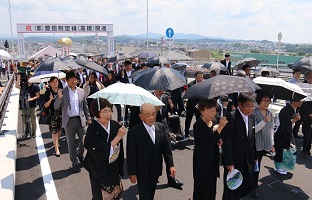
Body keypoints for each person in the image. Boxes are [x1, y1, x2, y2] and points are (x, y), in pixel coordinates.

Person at [127, 103, 177, 200]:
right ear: (141, 117)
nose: (151, 117)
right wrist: (132, 172)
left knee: (151, 195)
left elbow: (167, 150)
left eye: (153, 114)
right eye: (148, 114)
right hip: (142, 171)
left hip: (155, 169)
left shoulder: (161, 127)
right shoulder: (134, 132)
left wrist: (171, 165)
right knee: (145, 196)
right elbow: (131, 154)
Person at [84, 98, 126, 200]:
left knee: (115, 195)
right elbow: (100, 151)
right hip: (98, 168)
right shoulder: (92, 129)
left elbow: (119, 149)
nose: (108, 114)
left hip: (113, 167)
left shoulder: (115, 125)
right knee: (100, 196)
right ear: (96, 112)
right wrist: (118, 137)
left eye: (110, 110)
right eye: (104, 111)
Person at [221, 92, 258, 200]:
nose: (250, 109)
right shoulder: (231, 116)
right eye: (248, 106)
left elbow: (252, 138)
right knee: (231, 190)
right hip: (235, 161)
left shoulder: (251, 117)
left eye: (252, 106)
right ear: (240, 104)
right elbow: (227, 142)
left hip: (248, 160)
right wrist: (229, 162)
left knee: (243, 188)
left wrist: (255, 156)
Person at [54, 70, 92, 173]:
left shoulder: (81, 91)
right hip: (69, 121)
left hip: (80, 120)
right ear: (67, 80)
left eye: (75, 79)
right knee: (71, 143)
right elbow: (56, 106)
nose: (74, 81)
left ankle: (79, 153)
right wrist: (60, 97)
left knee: (84, 140)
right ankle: (74, 162)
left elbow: (85, 106)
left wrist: (88, 117)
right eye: (71, 80)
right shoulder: (63, 91)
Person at [192, 99, 228, 200]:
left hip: (212, 161)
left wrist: (219, 140)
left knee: (212, 190)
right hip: (202, 162)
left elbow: (214, 139)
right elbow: (208, 142)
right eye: (210, 111)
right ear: (202, 111)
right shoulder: (198, 125)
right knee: (202, 190)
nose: (213, 113)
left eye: (214, 110)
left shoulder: (214, 121)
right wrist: (220, 127)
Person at [253, 90, 275, 193]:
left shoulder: (270, 113)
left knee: (259, 163)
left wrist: (272, 144)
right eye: (264, 100)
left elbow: (271, 130)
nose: (267, 103)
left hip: (264, 144)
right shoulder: (254, 112)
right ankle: (252, 184)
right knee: (254, 163)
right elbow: (254, 130)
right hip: (255, 144)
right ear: (259, 101)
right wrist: (264, 121)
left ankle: (254, 181)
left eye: (268, 100)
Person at [274, 99, 301, 174]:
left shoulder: (294, 109)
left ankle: (283, 166)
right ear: (292, 101)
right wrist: (295, 120)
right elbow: (284, 125)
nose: (300, 102)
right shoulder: (286, 110)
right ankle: (278, 167)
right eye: (299, 100)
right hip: (281, 132)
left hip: (287, 132)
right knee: (281, 150)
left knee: (288, 150)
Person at [16, 73, 40, 138]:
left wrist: (31, 99)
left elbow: (37, 95)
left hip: (32, 105)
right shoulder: (24, 85)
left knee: (33, 119)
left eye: (30, 78)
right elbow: (17, 86)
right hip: (24, 105)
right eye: (28, 78)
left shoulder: (35, 86)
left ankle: (34, 132)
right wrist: (18, 78)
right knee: (25, 119)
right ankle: (27, 131)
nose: (29, 79)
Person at [44, 77, 62, 156]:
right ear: (50, 83)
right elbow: (46, 105)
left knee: (59, 130)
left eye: (56, 81)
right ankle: (56, 148)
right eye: (53, 82)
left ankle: (57, 142)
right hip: (52, 115)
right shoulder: (48, 92)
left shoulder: (61, 91)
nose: (55, 83)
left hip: (61, 114)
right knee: (54, 131)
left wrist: (61, 97)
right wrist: (50, 99)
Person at [185, 71, 203, 138]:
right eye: (199, 77)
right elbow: (191, 96)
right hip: (191, 105)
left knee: (198, 120)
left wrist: (200, 105)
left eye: (201, 77)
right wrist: (195, 104)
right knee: (188, 119)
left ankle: (198, 134)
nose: (200, 79)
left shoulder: (204, 84)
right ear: (195, 77)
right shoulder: (191, 84)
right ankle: (186, 133)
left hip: (200, 105)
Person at [289, 68, 303, 138]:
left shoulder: (300, 82)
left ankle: (294, 133)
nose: (298, 75)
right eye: (297, 74)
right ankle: (290, 132)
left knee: (297, 117)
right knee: (291, 117)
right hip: (291, 103)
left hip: (297, 103)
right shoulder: (290, 82)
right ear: (293, 74)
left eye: (299, 74)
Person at [300, 71, 312, 155]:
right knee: (308, 132)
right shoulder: (304, 86)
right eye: (310, 77)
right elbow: (304, 102)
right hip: (307, 113)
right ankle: (306, 148)